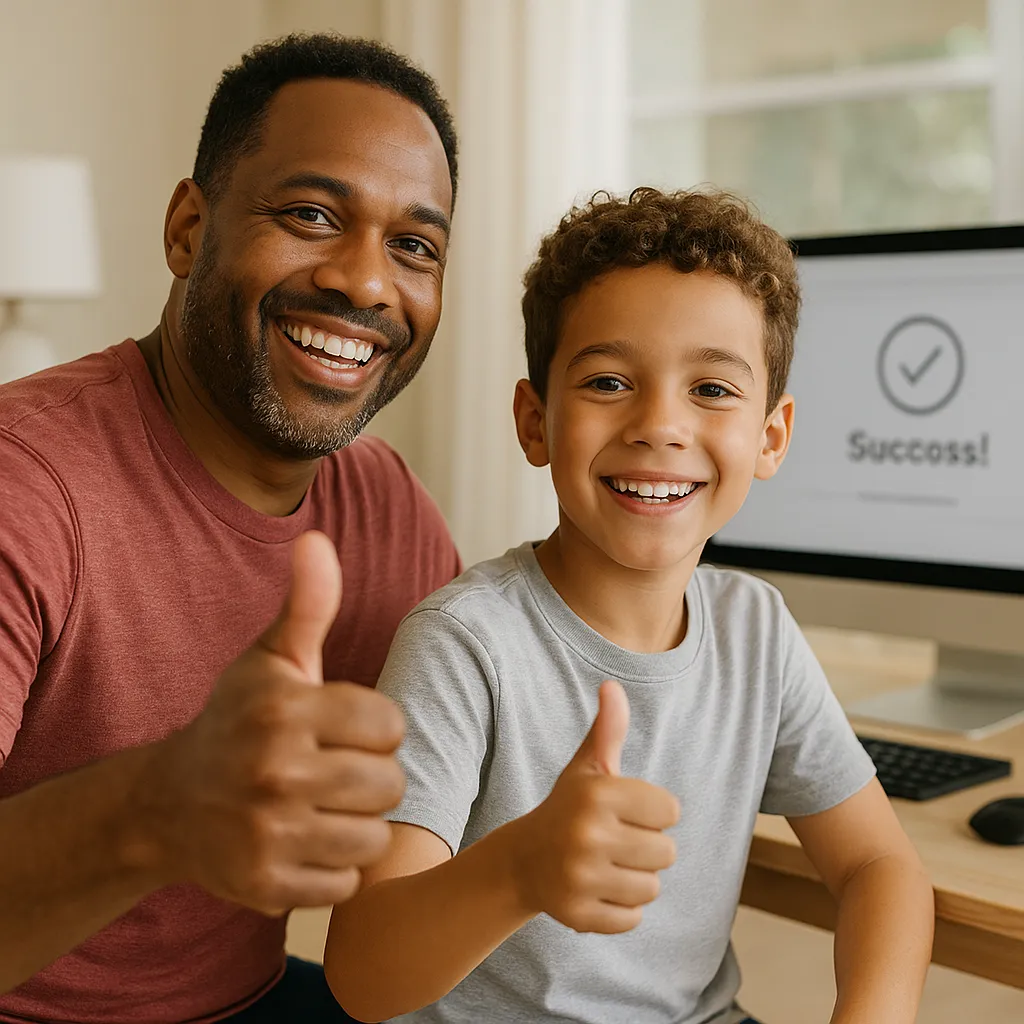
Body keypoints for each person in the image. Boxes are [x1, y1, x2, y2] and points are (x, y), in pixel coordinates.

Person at [324, 188, 936, 1024]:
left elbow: (880, 867)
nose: (660, 424)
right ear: (535, 422)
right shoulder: (463, 644)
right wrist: (523, 869)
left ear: (772, 436)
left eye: (713, 390)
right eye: (609, 381)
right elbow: (363, 976)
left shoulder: (756, 630)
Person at [0, 34, 460, 1024]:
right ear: (186, 228)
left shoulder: (387, 508)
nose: (366, 284)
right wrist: (157, 804)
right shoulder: (21, 484)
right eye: (309, 215)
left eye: (414, 245)